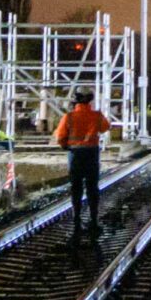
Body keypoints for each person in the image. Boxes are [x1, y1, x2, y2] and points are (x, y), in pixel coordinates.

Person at [55, 89, 111, 239]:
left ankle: (76, 217)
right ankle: (93, 218)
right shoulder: (96, 116)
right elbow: (106, 127)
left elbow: (60, 137)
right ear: (89, 101)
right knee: (92, 187)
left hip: (75, 155)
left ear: (75, 102)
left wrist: (66, 146)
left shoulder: (69, 117)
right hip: (92, 154)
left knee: (76, 187)